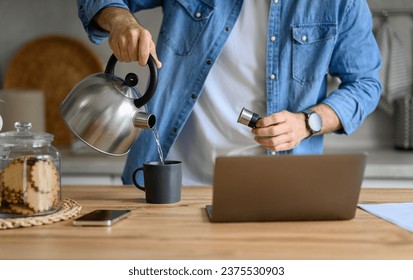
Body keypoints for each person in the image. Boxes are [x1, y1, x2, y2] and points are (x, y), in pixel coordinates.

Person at [77, 0, 381, 186]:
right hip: (165, 186)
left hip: (278, 191)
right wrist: (120, 21)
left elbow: (366, 84)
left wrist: (307, 122)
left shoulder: (342, 2)